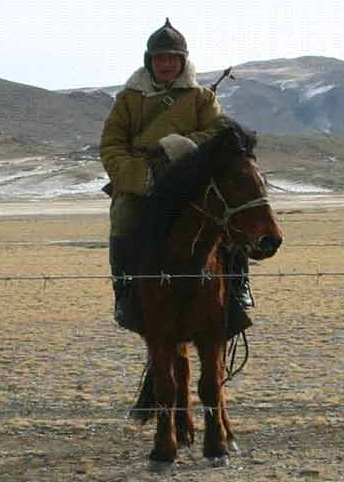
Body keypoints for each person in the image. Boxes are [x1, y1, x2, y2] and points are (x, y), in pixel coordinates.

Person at [99, 19, 251, 335]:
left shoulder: (201, 98)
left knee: (230, 214)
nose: (166, 64)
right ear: (149, 62)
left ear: (182, 61)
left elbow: (218, 132)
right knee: (124, 216)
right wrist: (138, 174)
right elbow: (112, 144)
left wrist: (179, 146)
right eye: (159, 58)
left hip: (191, 180)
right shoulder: (128, 99)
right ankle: (125, 292)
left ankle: (238, 288)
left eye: (172, 58)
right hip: (143, 178)